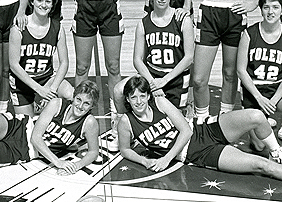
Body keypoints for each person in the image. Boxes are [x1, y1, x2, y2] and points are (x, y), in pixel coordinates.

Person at [118, 75, 282, 179]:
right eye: (133, 97)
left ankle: (276, 152)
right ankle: (274, 162)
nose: (138, 102)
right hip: (198, 152)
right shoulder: (126, 122)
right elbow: (125, 149)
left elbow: (186, 131)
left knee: (257, 116)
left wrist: (166, 159)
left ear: (148, 96)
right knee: (262, 165)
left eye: (142, 96)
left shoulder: (160, 103)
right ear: (127, 99)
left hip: (203, 128)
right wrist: (144, 161)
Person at [114, 0, 193, 120]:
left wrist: (164, 80)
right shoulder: (143, 24)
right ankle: (119, 126)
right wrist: (153, 82)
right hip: (152, 77)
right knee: (119, 90)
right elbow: (137, 60)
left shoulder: (182, 20)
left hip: (175, 79)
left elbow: (189, 58)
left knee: (173, 125)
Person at [9, 0, 73, 116]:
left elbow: (64, 63)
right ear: (32, 1)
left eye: (48, 1)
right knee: (26, 128)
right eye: (39, 0)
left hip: (46, 78)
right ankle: (34, 107)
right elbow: (14, 65)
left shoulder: (58, 28)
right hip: (22, 82)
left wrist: (52, 90)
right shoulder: (19, 28)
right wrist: (39, 90)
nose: (43, 5)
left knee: (70, 95)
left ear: (52, 4)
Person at [237, 0, 282, 149]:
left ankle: (269, 117)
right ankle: (263, 119)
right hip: (254, 92)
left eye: (275, 7)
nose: (271, 12)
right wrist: (259, 98)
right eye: (266, 7)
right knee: (259, 146)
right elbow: (240, 70)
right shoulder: (249, 34)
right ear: (261, 9)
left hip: (276, 90)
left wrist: (273, 101)